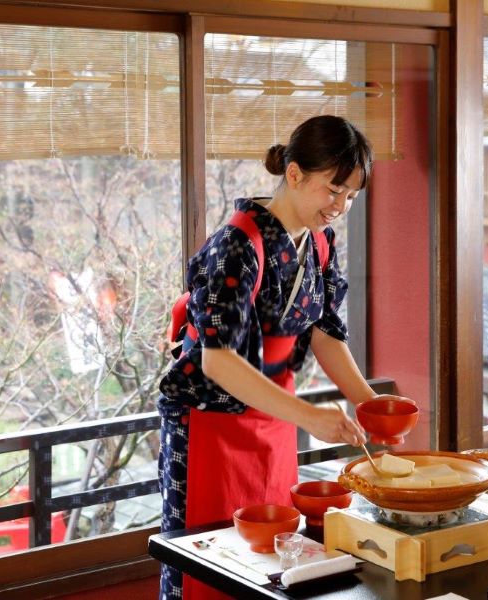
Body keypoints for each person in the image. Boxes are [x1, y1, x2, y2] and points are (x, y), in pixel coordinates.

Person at [156, 115, 413, 599]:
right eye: (332, 190)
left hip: (273, 419)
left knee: (274, 562)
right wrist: (308, 417)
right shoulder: (237, 244)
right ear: (294, 174)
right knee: (208, 567)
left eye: (351, 196)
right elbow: (217, 360)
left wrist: (368, 403)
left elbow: (323, 331)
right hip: (209, 426)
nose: (340, 206)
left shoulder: (317, 242)